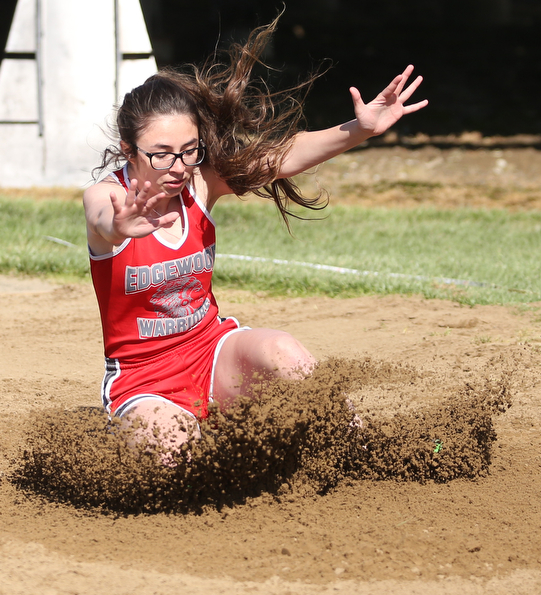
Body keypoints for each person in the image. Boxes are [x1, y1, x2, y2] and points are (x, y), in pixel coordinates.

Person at [83, 17, 428, 453]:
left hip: (212, 354)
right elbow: (99, 219)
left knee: (282, 350)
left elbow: (279, 157)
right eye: (161, 154)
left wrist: (358, 130)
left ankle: (363, 449)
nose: (178, 166)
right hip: (143, 380)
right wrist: (117, 227)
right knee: (172, 449)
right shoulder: (107, 196)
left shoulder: (200, 183)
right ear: (130, 150)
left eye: (190, 151)